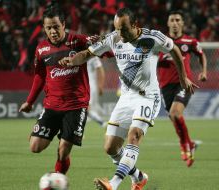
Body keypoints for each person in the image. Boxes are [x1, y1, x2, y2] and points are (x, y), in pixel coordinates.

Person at [59, 7, 197, 190]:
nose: (120, 33)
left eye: (123, 29)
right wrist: (72, 60)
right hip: (126, 98)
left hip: (148, 97)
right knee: (110, 148)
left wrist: (183, 77)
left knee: (134, 136)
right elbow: (87, 54)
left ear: (134, 24)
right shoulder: (114, 38)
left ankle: (113, 184)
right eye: (116, 28)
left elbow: (175, 51)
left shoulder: (152, 37)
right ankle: (139, 177)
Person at [19, 4, 95, 175]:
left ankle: (58, 178)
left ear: (63, 25)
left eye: (56, 27)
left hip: (76, 106)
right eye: (48, 28)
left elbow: (102, 47)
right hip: (52, 106)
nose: (53, 31)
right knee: (35, 147)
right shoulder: (41, 49)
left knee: (63, 150)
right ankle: (58, 140)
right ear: (44, 29)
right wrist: (29, 102)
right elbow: (39, 76)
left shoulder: (78, 41)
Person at [157, 10, 207, 167]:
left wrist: (204, 71)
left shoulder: (190, 41)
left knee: (175, 113)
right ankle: (188, 143)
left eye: (178, 20)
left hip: (184, 82)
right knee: (174, 118)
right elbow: (152, 59)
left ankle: (185, 145)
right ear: (168, 23)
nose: (175, 23)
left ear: (183, 23)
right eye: (172, 20)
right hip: (165, 85)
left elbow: (201, 54)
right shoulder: (161, 41)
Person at [87, 56, 106, 127]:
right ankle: (101, 122)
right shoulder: (77, 54)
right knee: (84, 110)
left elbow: (100, 70)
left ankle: (102, 122)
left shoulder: (93, 57)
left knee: (85, 109)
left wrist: (100, 86)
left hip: (89, 87)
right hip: (81, 87)